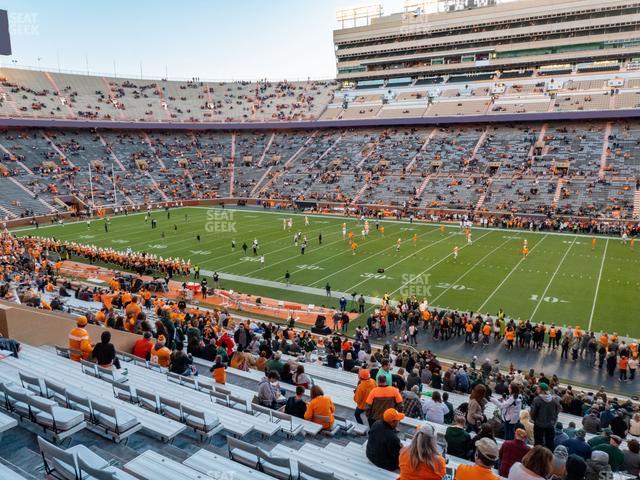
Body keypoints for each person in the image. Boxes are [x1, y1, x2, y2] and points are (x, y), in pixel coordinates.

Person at [367, 408, 404, 472]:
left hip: (369, 454)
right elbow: (398, 455)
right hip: (383, 463)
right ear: (392, 422)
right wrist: (402, 448)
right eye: (398, 420)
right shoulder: (393, 438)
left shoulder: (376, 423)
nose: (399, 422)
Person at [530, 382, 561, 450]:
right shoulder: (553, 399)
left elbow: (532, 413)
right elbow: (559, 409)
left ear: (542, 390)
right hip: (550, 424)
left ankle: (537, 457)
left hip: (539, 424)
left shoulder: (537, 399)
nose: (536, 390)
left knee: (538, 443)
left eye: (538, 389)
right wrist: (553, 418)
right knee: (550, 443)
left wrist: (535, 419)